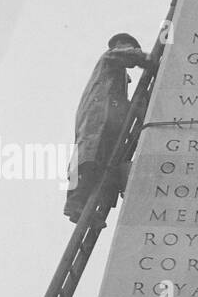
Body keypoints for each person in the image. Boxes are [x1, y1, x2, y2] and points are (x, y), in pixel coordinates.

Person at [64, 33, 151, 223]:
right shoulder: (110, 58)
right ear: (119, 44)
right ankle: (76, 203)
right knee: (91, 158)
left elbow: (121, 104)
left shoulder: (117, 75)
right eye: (129, 45)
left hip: (106, 121)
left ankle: (87, 209)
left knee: (103, 164)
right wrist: (151, 61)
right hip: (98, 118)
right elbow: (131, 56)